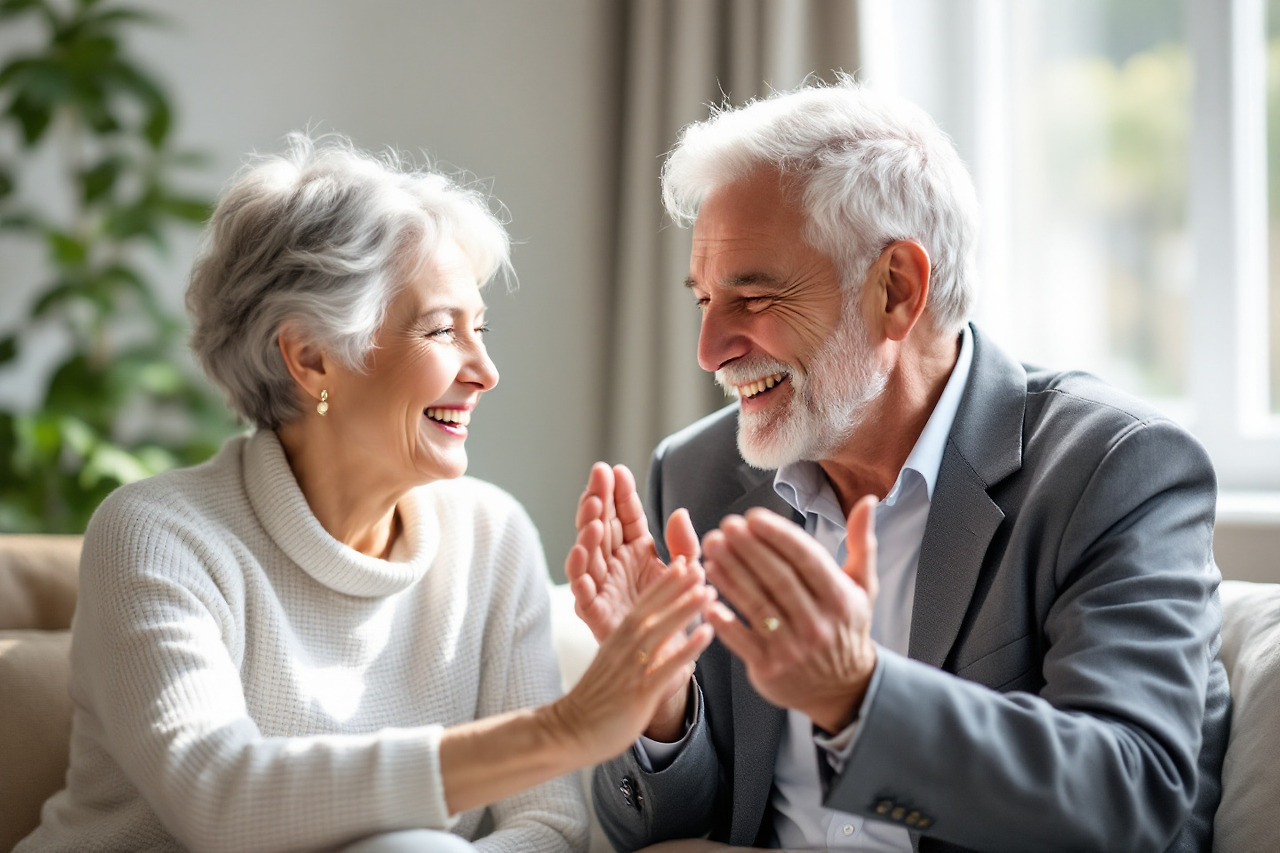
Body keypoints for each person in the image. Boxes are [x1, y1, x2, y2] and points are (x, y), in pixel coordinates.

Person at [566, 79, 1230, 852]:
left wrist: (860, 696)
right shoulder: (697, 475)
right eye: (703, 301)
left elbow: (1135, 793)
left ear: (897, 289)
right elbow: (659, 830)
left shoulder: (1112, 469)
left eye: (753, 298)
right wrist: (655, 702)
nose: (709, 350)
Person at [16, 133, 714, 853]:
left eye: (481, 329)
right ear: (313, 357)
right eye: (444, 330)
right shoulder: (159, 533)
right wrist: (561, 730)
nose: (485, 371)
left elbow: (547, 824)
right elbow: (221, 796)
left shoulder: (490, 536)